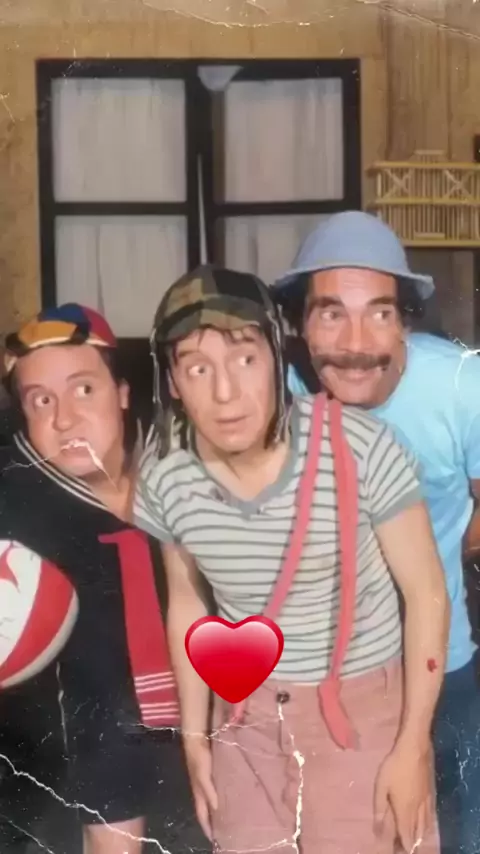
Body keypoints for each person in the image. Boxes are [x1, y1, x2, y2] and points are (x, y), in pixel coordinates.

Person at [132, 263, 449, 854]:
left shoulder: (361, 449)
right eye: (197, 368)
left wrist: (412, 746)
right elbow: (187, 601)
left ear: (277, 357)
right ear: (172, 381)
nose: (225, 393)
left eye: (245, 359)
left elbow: (426, 593)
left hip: (360, 716)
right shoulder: (166, 472)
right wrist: (196, 740)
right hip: (244, 717)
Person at [273, 210, 480, 854]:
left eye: (379, 313)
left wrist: (438, 555)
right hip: (329, 681)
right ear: (300, 324)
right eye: (331, 313)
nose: (356, 342)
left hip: (443, 665)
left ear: (406, 322)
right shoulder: (278, 392)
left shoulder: (462, 386)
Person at [0, 303, 208, 854]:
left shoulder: (185, 468)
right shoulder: (12, 502)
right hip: (77, 780)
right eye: (41, 401)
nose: (64, 419)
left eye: (84, 390)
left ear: (122, 392)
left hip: (205, 747)